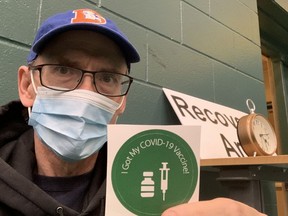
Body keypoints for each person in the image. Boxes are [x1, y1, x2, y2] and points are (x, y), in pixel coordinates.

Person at [0, 8, 267, 216]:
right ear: (27, 86)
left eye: (107, 77)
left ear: (122, 100)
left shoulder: (151, 190)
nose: (87, 93)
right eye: (63, 70)